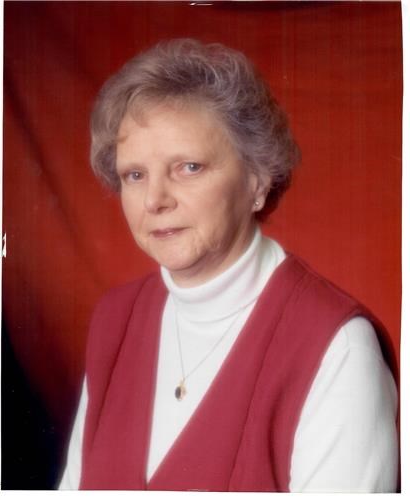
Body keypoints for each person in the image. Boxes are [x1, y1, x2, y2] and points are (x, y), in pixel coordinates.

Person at [59, 38, 398, 492]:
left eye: (189, 167)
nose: (154, 200)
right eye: (134, 175)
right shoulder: (113, 320)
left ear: (257, 180)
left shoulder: (338, 347)